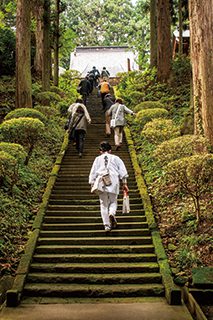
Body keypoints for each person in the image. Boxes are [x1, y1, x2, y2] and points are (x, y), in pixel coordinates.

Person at [89, 141, 129, 232]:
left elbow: (93, 172)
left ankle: (106, 225)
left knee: (103, 204)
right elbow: (123, 171)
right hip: (114, 180)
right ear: (110, 150)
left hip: (101, 181)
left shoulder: (97, 159)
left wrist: (92, 183)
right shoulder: (116, 158)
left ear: (100, 151)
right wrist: (125, 183)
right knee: (113, 201)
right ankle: (111, 213)